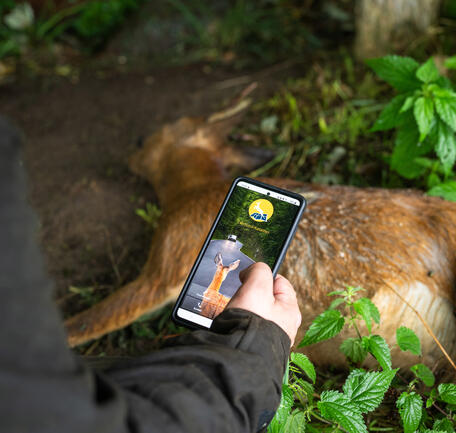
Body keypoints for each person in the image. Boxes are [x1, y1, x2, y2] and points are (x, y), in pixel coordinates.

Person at [0, 116, 302, 433]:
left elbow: (156, 288)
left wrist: (66, 334)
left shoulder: (191, 209)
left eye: (143, 141)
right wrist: (252, 349)